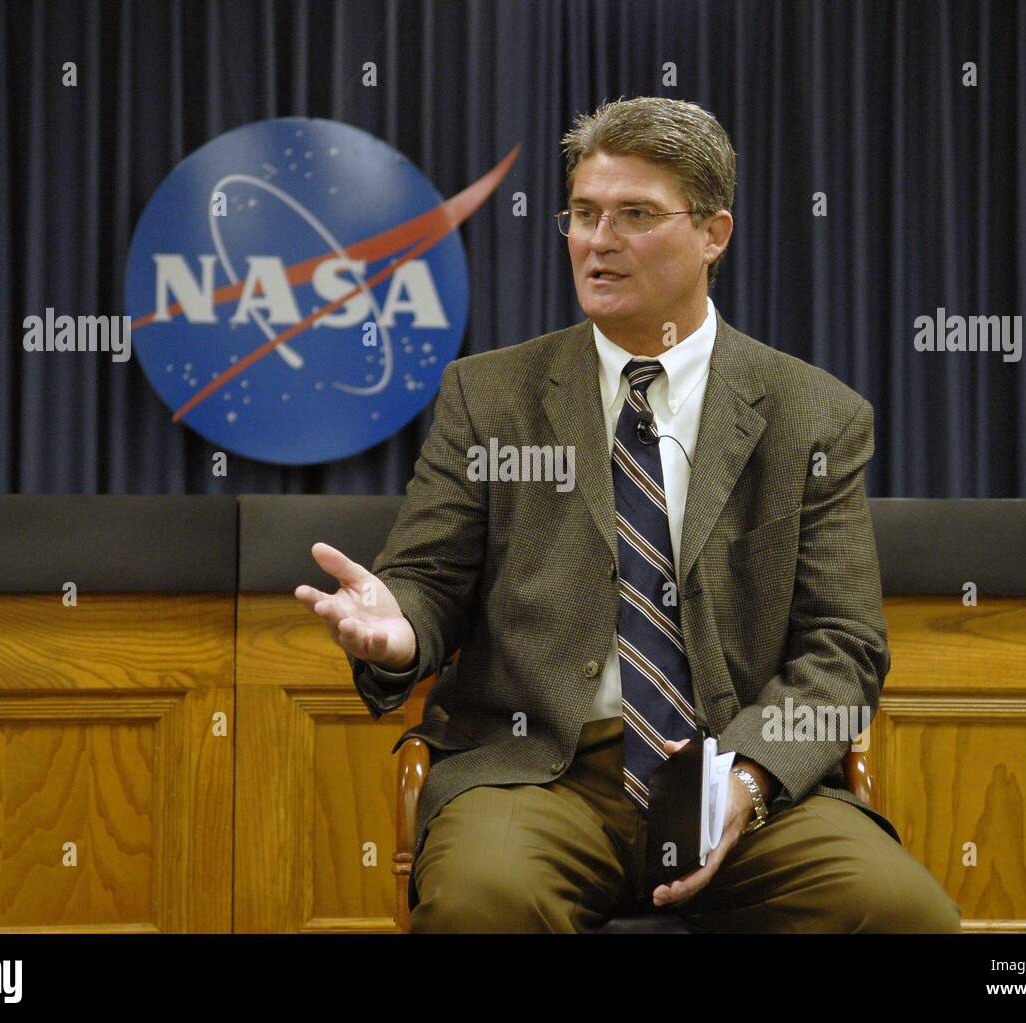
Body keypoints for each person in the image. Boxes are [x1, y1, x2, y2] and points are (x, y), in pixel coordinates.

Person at [297, 96, 962, 933]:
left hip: (737, 771)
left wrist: (750, 775)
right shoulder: (490, 396)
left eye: (634, 215)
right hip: (540, 771)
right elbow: (427, 583)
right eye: (582, 214)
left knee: (901, 911)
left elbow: (845, 646)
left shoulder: (813, 414)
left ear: (713, 233)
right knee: (482, 902)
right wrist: (400, 633)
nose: (598, 240)